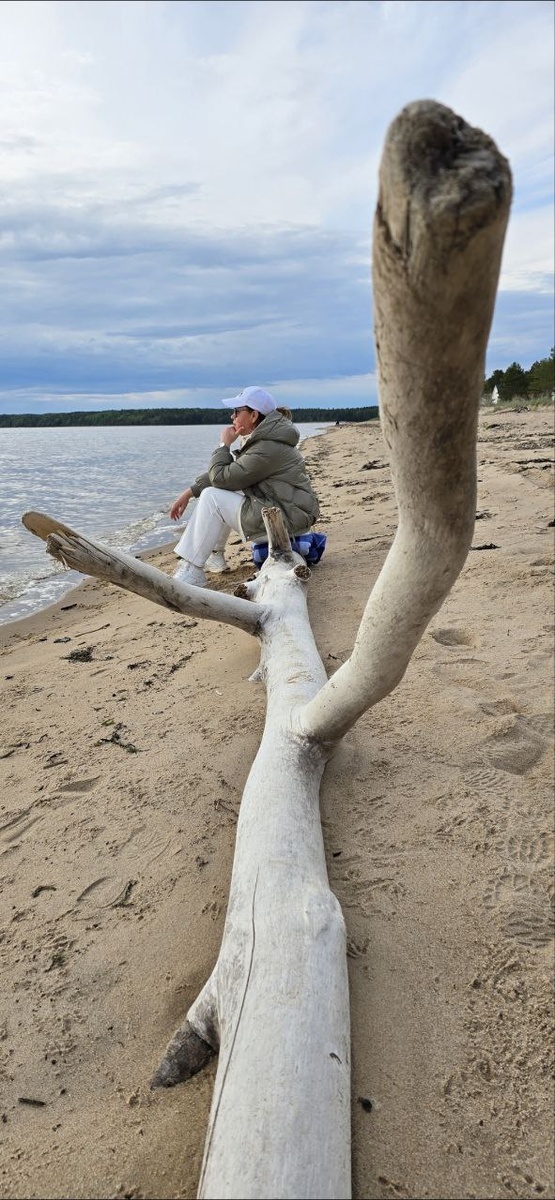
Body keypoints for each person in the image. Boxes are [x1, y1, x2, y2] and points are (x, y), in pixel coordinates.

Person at [169, 386, 320, 587]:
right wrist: (189, 492)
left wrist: (223, 446)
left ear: (253, 415)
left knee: (212, 497)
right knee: (219, 491)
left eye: (237, 411)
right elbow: (236, 470)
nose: (232, 416)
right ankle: (215, 556)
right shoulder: (267, 440)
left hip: (285, 524)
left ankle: (192, 569)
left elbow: (223, 478)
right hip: (286, 514)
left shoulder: (268, 447)